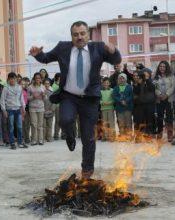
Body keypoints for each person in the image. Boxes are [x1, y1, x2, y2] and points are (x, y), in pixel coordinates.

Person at [29, 20, 121, 179]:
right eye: (75, 34)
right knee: (65, 120)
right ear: (71, 36)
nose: (79, 37)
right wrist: (38, 54)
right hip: (69, 96)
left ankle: (87, 170)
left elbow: (115, 60)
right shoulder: (63, 47)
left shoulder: (98, 47)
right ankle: (70, 137)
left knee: (88, 137)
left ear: (88, 34)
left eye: (82, 33)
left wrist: (114, 51)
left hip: (89, 99)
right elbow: (46, 57)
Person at [0, 72, 27, 149]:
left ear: (16, 79)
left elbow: (21, 99)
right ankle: (12, 143)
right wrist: (4, 110)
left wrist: (23, 108)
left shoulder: (19, 87)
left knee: (19, 126)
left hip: (18, 109)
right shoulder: (6, 88)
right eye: (11, 79)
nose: (12, 80)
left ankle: (20, 142)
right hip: (10, 110)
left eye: (14, 78)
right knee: (11, 127)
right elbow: (2, 100)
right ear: (8, 79)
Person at [154, 61, 175, 141]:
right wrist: (159, 94)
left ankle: (170, 134)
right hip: (159, 100)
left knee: (169, 117)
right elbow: (155, 88)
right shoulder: (156, 77)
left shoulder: (171, 76)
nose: (162, 68)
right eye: (160, 66)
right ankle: (159, 133)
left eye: (163, 66)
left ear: (166, 67)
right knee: (159, 117)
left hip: (169, 99)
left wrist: (166, 94)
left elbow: (172, 87)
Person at [132, 70, 156, 136]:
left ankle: (150, 133)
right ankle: (141, 134)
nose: (145, 76)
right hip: (141, 104)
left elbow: (152, 88)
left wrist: (147, 80)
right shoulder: (139, 83)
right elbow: (136, 93)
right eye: (144, 75)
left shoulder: (151, 82)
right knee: (141, 120)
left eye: (146, 74)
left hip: (150, 104)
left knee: (150, 119)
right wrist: (137, 85)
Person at [28, 72, 45, 145]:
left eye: (39, 78)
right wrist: (33, 97)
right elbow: (27, 98)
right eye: (36, 78)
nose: (37, 79)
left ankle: (40, 140)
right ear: (34, 79)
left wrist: (44, 95)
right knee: (34, 124)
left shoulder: (43, 87)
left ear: (41, 79)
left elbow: (45, 98)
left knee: (40, 125)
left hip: (41, 107)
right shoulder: (30, 87)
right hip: (32, 108)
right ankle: (34, 140)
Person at [43, 78, 55, 142]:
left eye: (48, 83)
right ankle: (44, 138)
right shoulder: (42, 92)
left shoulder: (52, 92)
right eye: (45, 83)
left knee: (49, 125)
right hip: (43, 111)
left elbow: (54, 102)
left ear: (50, 84)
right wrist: (43, 110)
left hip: (50, 111)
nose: (46, 85)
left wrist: (51, 110)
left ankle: (49, 137)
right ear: (43, 84)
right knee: (43, 125)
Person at [52, 73, 62, 140]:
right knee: (58, 120)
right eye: (59, 77)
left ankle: (63, 134)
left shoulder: (63, 84)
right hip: (57, 105)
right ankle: (56, 134)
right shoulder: (54, 86)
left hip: (63, 105)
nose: (60, 78)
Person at [21, 77, 31, 144]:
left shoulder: (29, 89)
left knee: (28, 124)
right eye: (24, 82)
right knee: (23, 125)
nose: (26, 83)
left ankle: (27, 137)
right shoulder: (22, 90)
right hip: (23, 109)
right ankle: (25, 138)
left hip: (30, 109)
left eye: (27, 81)